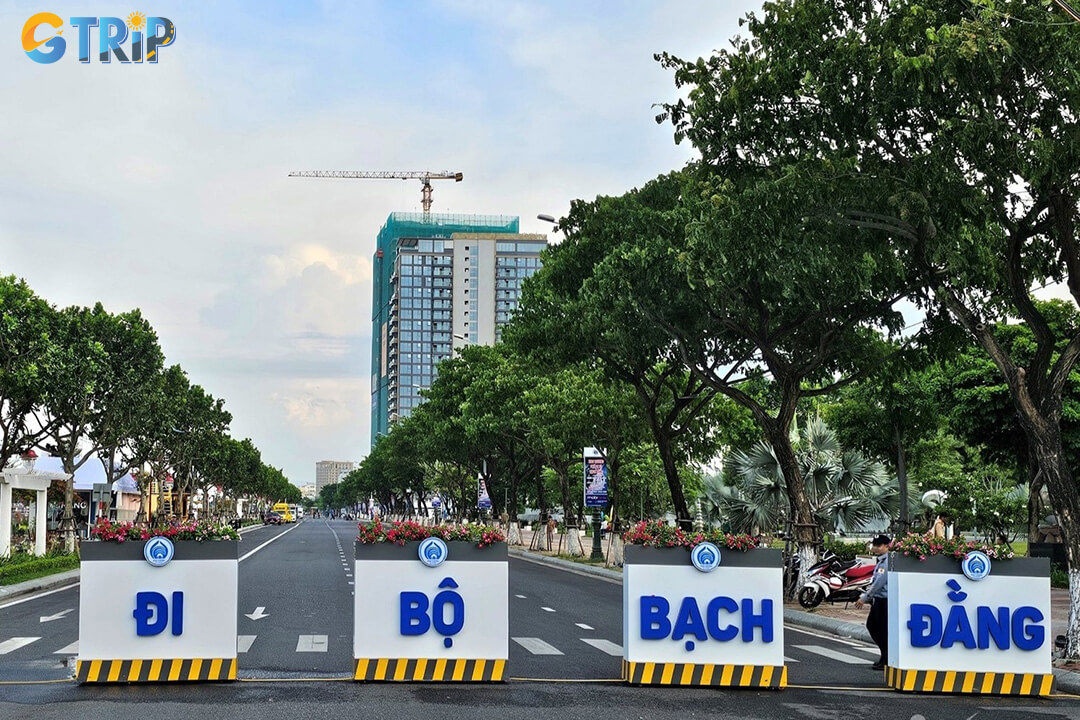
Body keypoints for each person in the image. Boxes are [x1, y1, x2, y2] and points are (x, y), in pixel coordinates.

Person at [854, 534, 891, 671]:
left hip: (884, 600)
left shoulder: (886, 562)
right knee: (875, 627)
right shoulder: (881, 560)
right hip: (879, 600)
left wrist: (865, 597)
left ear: (887, 546)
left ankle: (886, 658)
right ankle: (884, 657)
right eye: (874, 545)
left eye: (879, 545)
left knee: (878, 628)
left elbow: (879, 583)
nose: (875, 548)